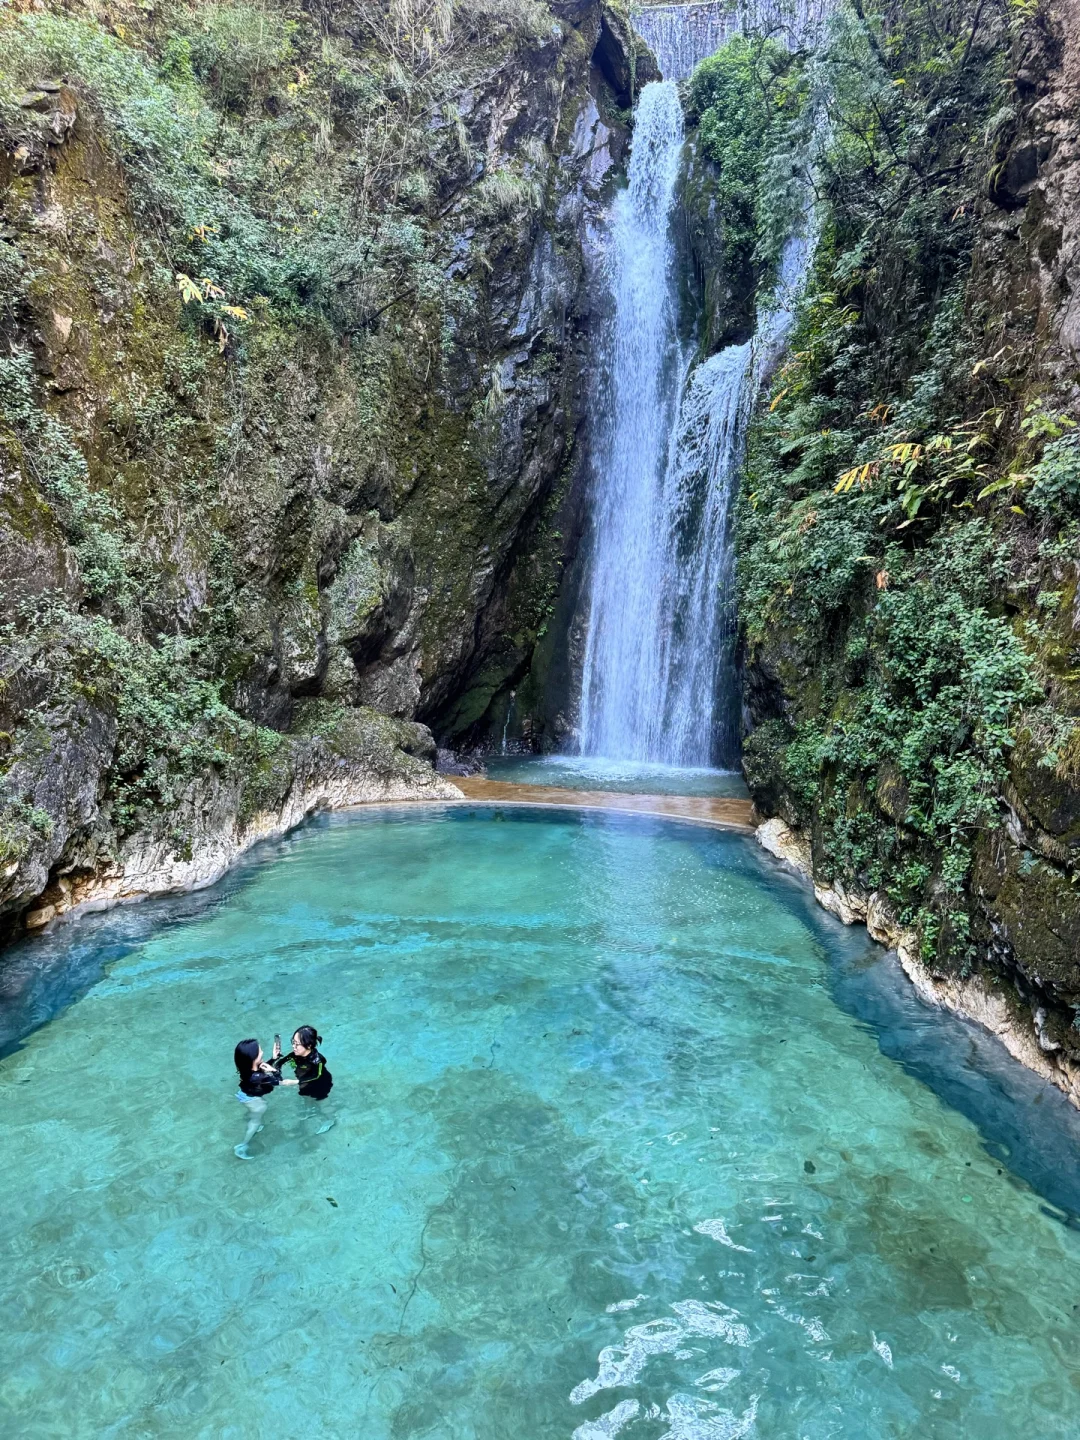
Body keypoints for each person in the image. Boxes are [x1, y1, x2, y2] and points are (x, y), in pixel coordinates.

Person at [233, 1038, 296, 1159]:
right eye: (260, 1051)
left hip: (244, 1094)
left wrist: (273, 1058)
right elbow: (282, 1082)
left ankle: (251, 1119)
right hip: (252, 1100)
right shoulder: (258, 1077)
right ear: (253, 1058)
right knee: (257, 1118)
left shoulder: (248, 1070)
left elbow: (262, 1071)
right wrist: (303, 1081)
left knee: (256, 1112)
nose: (262, 1052)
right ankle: (242, 1145)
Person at [273, 1025, 334, 1133]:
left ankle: (330, 1119)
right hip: (304, 1081)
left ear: (309, 1045)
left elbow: (316, 1076)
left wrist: (294, 1082)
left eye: (297, 1044)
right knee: (305, 1095)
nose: (293, 1047)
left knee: (323, 1102)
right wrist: (276, 1071)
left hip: (320, 1083)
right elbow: (281, 1062)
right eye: (293, 1042)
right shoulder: (295, 1054)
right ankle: (309, 1110)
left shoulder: (317, 1060)